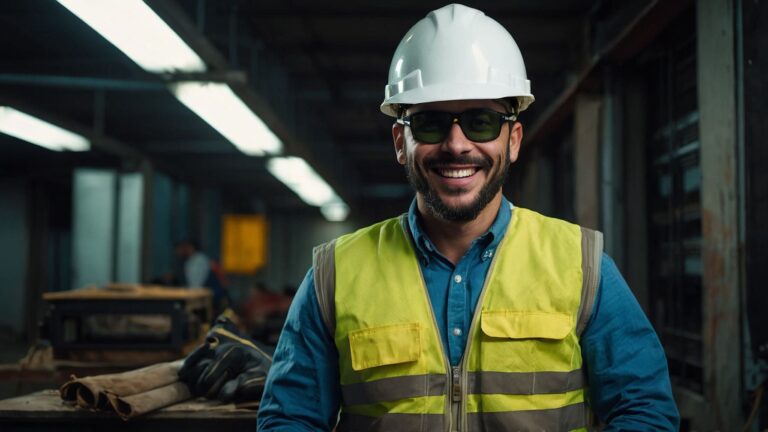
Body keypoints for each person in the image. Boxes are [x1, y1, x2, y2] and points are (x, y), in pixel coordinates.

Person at [258, 4, 679, 431]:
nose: (456, 144)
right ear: (400, 142)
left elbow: (645, 409)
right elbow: (290, 418)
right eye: (429, 123)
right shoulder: (335, 274)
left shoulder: (582, 266)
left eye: (481, 122)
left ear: (513, 140)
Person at [174, 239, 230, 315]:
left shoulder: (199, 260)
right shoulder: (190, 261)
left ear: (191, 247)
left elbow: (196, 285)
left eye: (185, 247)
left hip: (211, 297)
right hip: (203, 296)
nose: (181, 250)